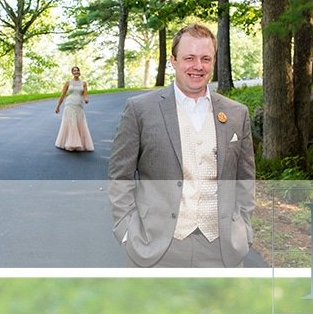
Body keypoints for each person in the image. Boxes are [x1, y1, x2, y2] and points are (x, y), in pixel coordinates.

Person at [108, 23, 255, 267]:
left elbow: (245, 179)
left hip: (222, 251)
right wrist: (127, 230)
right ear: (173, 61)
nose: (198, 66)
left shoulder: (237, 114)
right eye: (189, 58)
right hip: (156, 249)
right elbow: (119, 175)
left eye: (205, 58)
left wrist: (244, 230)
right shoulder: (140, 109)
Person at [55, 67, 94, 152]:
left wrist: (86, 99)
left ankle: (79, 143)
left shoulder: (83, 83)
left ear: (79, 72)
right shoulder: (68, 83)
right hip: (69, 104)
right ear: (72, 73)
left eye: (77, 70)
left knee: (79, 123)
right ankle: (71, 143)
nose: (76, 72)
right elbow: (62, 95)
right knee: (71, 123)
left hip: (79, 105)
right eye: (74, 71)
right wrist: (58, 106)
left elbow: (85, 94)